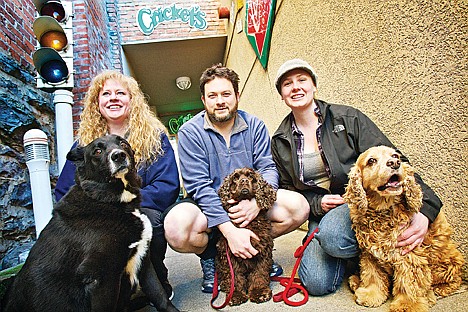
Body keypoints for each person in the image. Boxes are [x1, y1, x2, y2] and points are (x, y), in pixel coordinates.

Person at [271, 58, 443, 296]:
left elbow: (395, 161)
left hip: (359, 204)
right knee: (317, 283)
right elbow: (289, 189)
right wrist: (316, 203)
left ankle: (355, 252)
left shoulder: (347, 118)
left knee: (332, 236)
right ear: (282, 95)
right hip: (320, 212)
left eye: (302, 80)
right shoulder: (280, 140)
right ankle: (356, 257)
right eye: (287, 84)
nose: (296, 87)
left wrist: (426, 210)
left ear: (314, 86)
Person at [163, 64, 310, 293]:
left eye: (226, 94)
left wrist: (257, 204)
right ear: (203, 100)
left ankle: (258, 251)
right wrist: (229, 231)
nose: (220, 101)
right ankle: (212, 258)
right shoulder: (189, 132)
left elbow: (268, 168)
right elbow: (199, 187)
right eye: (212, 95)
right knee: (176, 227)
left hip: (252, 201)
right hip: (210, 204)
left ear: (237, 96)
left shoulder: (255, 126)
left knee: (298, 206)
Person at [55, 70, 180, 300]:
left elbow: (167, 185)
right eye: (106, 94)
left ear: (132, 100)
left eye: (120, 93)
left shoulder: (155, 138)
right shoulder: (84, 145)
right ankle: (108, 288)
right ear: (97, 103)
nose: (113, 98)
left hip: (141, 208)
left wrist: (128, 203)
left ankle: (155, 281)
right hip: (98, 216)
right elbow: (63, 190)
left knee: (147, 220)